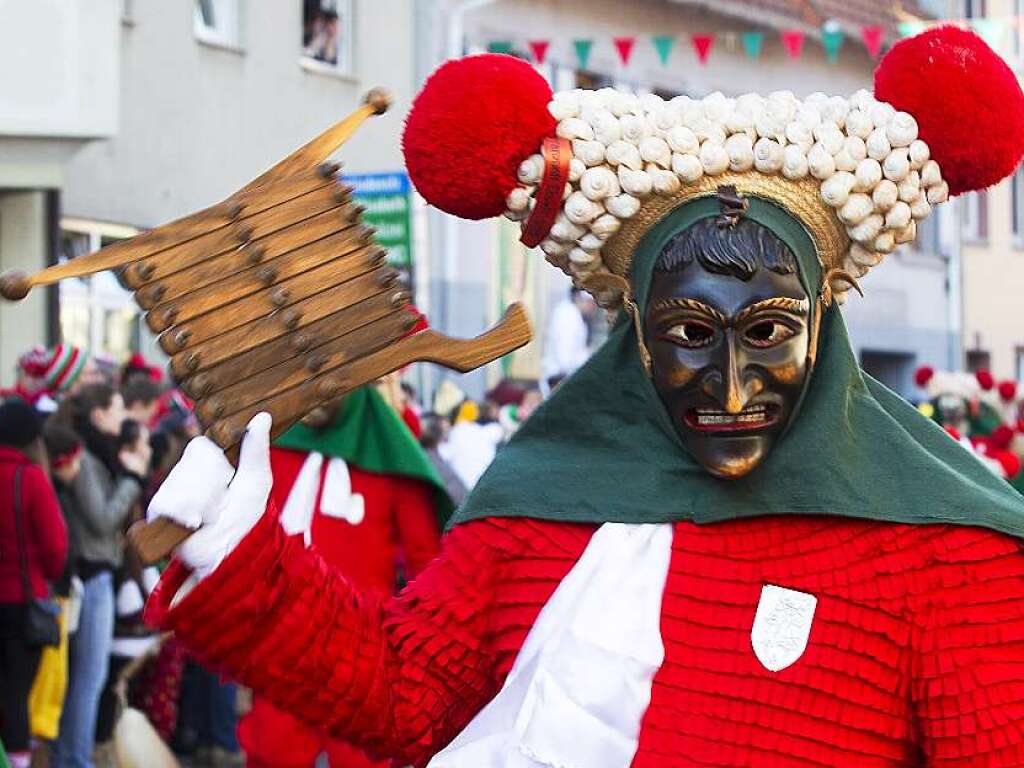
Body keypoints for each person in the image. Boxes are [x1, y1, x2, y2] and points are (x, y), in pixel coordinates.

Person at [145, 30, 1024, 766]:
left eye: (766, 333)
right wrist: (238, 559)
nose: (729, 388)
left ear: (821, 331)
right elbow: (408, 698)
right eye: (688, 334)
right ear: (635, 337)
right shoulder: (542, 513)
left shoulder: (944, 555)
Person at [235, 386, 450, 768]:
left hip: (360, 646)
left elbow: (427, 565)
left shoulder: (390, 452)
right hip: (282, 637)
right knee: (273, 753)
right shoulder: (273, 444)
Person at [51, 385, 150, 768]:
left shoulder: (96, 454)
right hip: (91, 576)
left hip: (95, 575)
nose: (124, 417)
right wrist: (131, 480)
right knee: (88, 678)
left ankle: (71, 756)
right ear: (98, 415)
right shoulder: (88, 459)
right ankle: (74, 759)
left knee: (86, 677)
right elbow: (103, 518)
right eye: (118, 408)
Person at [0, 401, 67, 768]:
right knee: (16, 696)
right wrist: (48, 576)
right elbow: (56, 546)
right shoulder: (31, 478)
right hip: (26, 602)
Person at [540, 287, 595, 392]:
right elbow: (564, 359)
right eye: (591, 303)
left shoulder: (571, 313)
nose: (593, 308)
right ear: (579, 298)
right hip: (558, 380)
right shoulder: (568, 316)